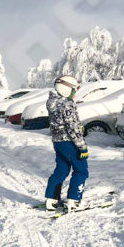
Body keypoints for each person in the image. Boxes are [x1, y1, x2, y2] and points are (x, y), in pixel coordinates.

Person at [44, 76, 89, 212]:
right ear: (65, 90)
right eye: (73, 90)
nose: (74, 93)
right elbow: (72, 127)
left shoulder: (52, 102)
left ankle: (51, 200)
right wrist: (82, 146)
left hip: (58, 142)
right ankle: (74, 201)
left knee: (61, 170)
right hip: (70, 143)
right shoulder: (67, 104)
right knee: (81, 171)